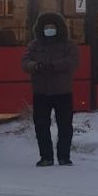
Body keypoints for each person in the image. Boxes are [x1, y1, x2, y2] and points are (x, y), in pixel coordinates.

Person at [21, 12, 79, 167]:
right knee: (41, 127)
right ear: (41, 28)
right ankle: (46, 157)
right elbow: (25, 62)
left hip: (63, 92)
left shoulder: (69, 45)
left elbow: (72, 62)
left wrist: (54, 66)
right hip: (41, 92)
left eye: (52, 27)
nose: (49, 29)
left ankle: (64, 157)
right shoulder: (34, 45)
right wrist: (36, 66)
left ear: (58, 28)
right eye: (46, 27)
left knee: (65, 126)